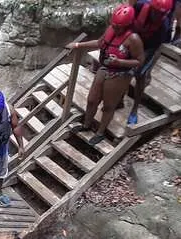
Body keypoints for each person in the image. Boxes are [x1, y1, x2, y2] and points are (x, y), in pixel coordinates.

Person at [68, 5, 144, 145]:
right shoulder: (110, 30)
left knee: (109, 105)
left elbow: (139, 61)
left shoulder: (133, 39)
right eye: (114, 25)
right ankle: (86, 125)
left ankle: (100, 132)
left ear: (127, 25)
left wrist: (119, 61)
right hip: (104, 68)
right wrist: (79, 45)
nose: (115, 28)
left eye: (118, 26)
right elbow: (99, 43)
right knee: (92, 99)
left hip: (120, 74)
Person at [127, 0, 173, 125]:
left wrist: (138, 62)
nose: (156, 15)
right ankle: (119, 99)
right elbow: (128, 24)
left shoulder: (164, 26)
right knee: (123, 70)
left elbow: (155, 48)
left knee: (140, 75)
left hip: (149, 48)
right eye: (155, 12)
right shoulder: (140, 6)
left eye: (160, 14)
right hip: (133, 41)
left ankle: (134, 109)